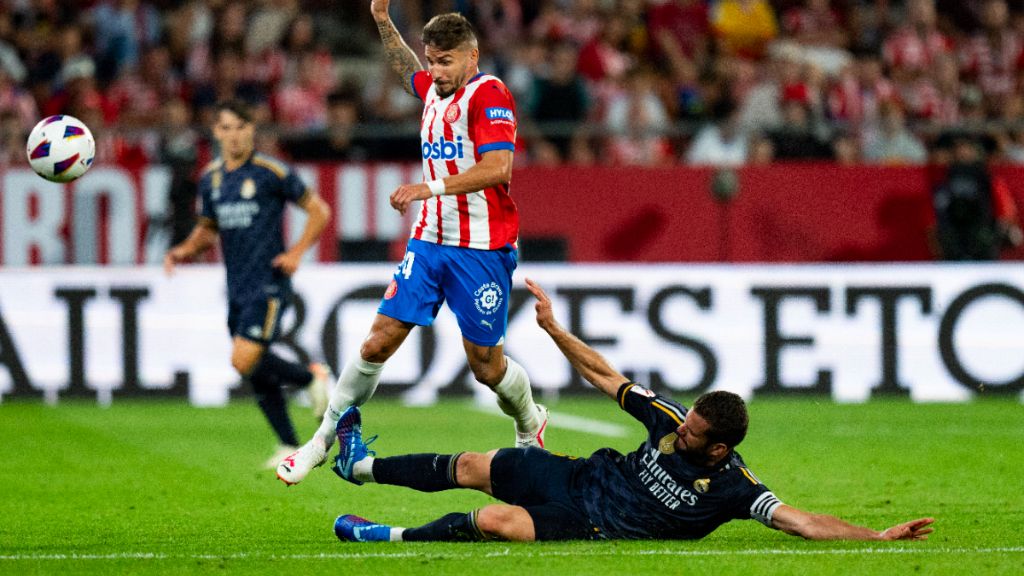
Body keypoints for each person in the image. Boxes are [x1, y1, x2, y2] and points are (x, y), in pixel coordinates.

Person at [326, 279, 936, 543]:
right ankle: (361, 467)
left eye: (694, 430)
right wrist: (554, 330)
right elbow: (603, 374)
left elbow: (799, 521)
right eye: (686, 419)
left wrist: (875, 534)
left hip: (592, 524)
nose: (681, 428)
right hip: (577, 476)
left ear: (719, 447)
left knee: (496, 523)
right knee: (477, 463)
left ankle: (384, 536)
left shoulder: (734, 487)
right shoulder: (672, 419)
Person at [275, 2, 547, 486]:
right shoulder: (435, 91)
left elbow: (499, 168)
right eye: (432, 59)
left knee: (487, 368)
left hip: (482, 249)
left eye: (446, 61)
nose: (435, 71)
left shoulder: (490, 94)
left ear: (472, 56)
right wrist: (382, 19)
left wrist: (429, 188)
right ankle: (320, 440)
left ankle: (529, 421)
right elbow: (408, 74)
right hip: (430, 242)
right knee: (378, 340)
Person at [164, 99, 333, 468]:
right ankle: (288, 443)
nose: (235, 135)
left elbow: (319, 210)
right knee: (250, 367)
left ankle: (309, 378)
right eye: (226, 127)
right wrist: (182, 250)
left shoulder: (271, 172)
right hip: (237, 287)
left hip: (269, 283)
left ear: (252, 130)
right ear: (216, 132)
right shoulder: (211, 178)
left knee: (244, 357)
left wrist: (297, 252)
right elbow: (207, 232)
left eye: (241, 126)